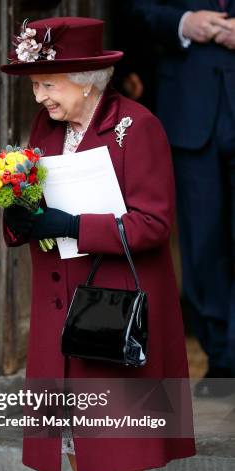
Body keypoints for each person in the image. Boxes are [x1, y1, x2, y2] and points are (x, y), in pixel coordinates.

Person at [0, 16, 196, 471]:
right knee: (78, 431)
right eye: (36, 85)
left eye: (48, 84)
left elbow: (155, 223)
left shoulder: (139, 127)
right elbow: (33, 204)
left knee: (118, 431)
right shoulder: (45, 126)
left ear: (85, 79)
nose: (40, 97)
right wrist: (20, 217)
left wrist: (74, 225)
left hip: (116, 300)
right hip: (62, 296)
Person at [134, 1, 235, 398]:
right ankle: (223, 359)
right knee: (203, 242)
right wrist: (182, 22)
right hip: (189, 108)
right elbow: (132, 7)